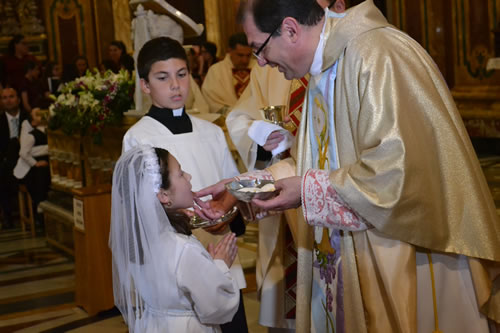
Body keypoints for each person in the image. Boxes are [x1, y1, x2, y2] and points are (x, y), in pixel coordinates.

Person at [197, 0, 500, 332]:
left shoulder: (377, 55)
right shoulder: (323, 68)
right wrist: (241, 191)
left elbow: (397, 175)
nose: (262, 62)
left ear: (290, 29)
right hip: (353, 255)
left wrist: (309, 190)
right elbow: (311, 163)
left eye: (260, 48)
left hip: (403, 252)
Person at [122, 37, 249, 333]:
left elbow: (233, 188)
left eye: (182, 75)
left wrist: (227, 213)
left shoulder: (211, 132)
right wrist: (196, 222)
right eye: (162, 78)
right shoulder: (139, 138)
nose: (175, 86)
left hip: (222, 252)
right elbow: (142, 212)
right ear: (145, 85)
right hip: (174, 268)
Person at [110, 145, 240, 332]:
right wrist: (220, 266)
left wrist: (205, 268)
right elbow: (218, 308)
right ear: (163, 195)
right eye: (180, 173)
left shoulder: (137, 239)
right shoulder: (183, 249)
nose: (189, 177)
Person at [13, 107, 50, 228]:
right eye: (37, 115)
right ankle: (40, 206)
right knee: (40, 175)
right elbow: (23, 153)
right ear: (33, 121)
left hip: (46, 164)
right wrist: (35, 163)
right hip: (32, 169)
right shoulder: (31, 135)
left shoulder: (48, 132)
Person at [202, 33, 255, 114]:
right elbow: (212, 101)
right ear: (229, 50)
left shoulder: (260, 69)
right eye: (240, 55)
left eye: (248, 55)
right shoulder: (216, 71)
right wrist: (236, 113)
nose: (245, 60)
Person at [0, 87, 29, 229]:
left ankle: (33, 214)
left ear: (18, 99)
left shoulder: (28, 116)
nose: (8, 100)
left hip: (27, 158)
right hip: (6, 161)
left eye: (11, 96)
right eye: (4, 98)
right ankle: (8, 215)